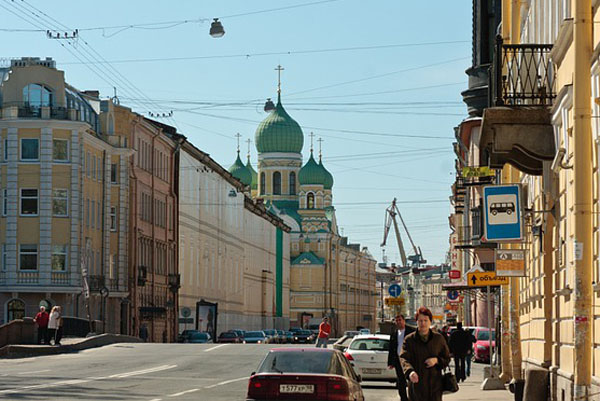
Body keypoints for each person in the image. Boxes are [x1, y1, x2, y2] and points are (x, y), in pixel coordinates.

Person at [400, 307, 451, 401]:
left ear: (430, 322)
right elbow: (404, 358)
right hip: (416, 386)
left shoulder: (438, 339)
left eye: (425, 320)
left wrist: (436, 360)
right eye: (420, 321)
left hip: (435, 386)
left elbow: (447, 358)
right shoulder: (409, 340)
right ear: (416, 322)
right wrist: (410, 371)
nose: (423, 323)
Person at [387, 314, 415, 401]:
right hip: (398, 360)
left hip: (409, 360)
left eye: (400, 320)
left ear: (404, 321)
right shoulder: (394, 334)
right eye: (397, 320)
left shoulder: (411, 331)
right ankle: (403, 398)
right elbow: (391, 348)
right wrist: (390, 362)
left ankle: (413, 397)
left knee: (411, 379)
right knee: (400, 381)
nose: (398, 322)